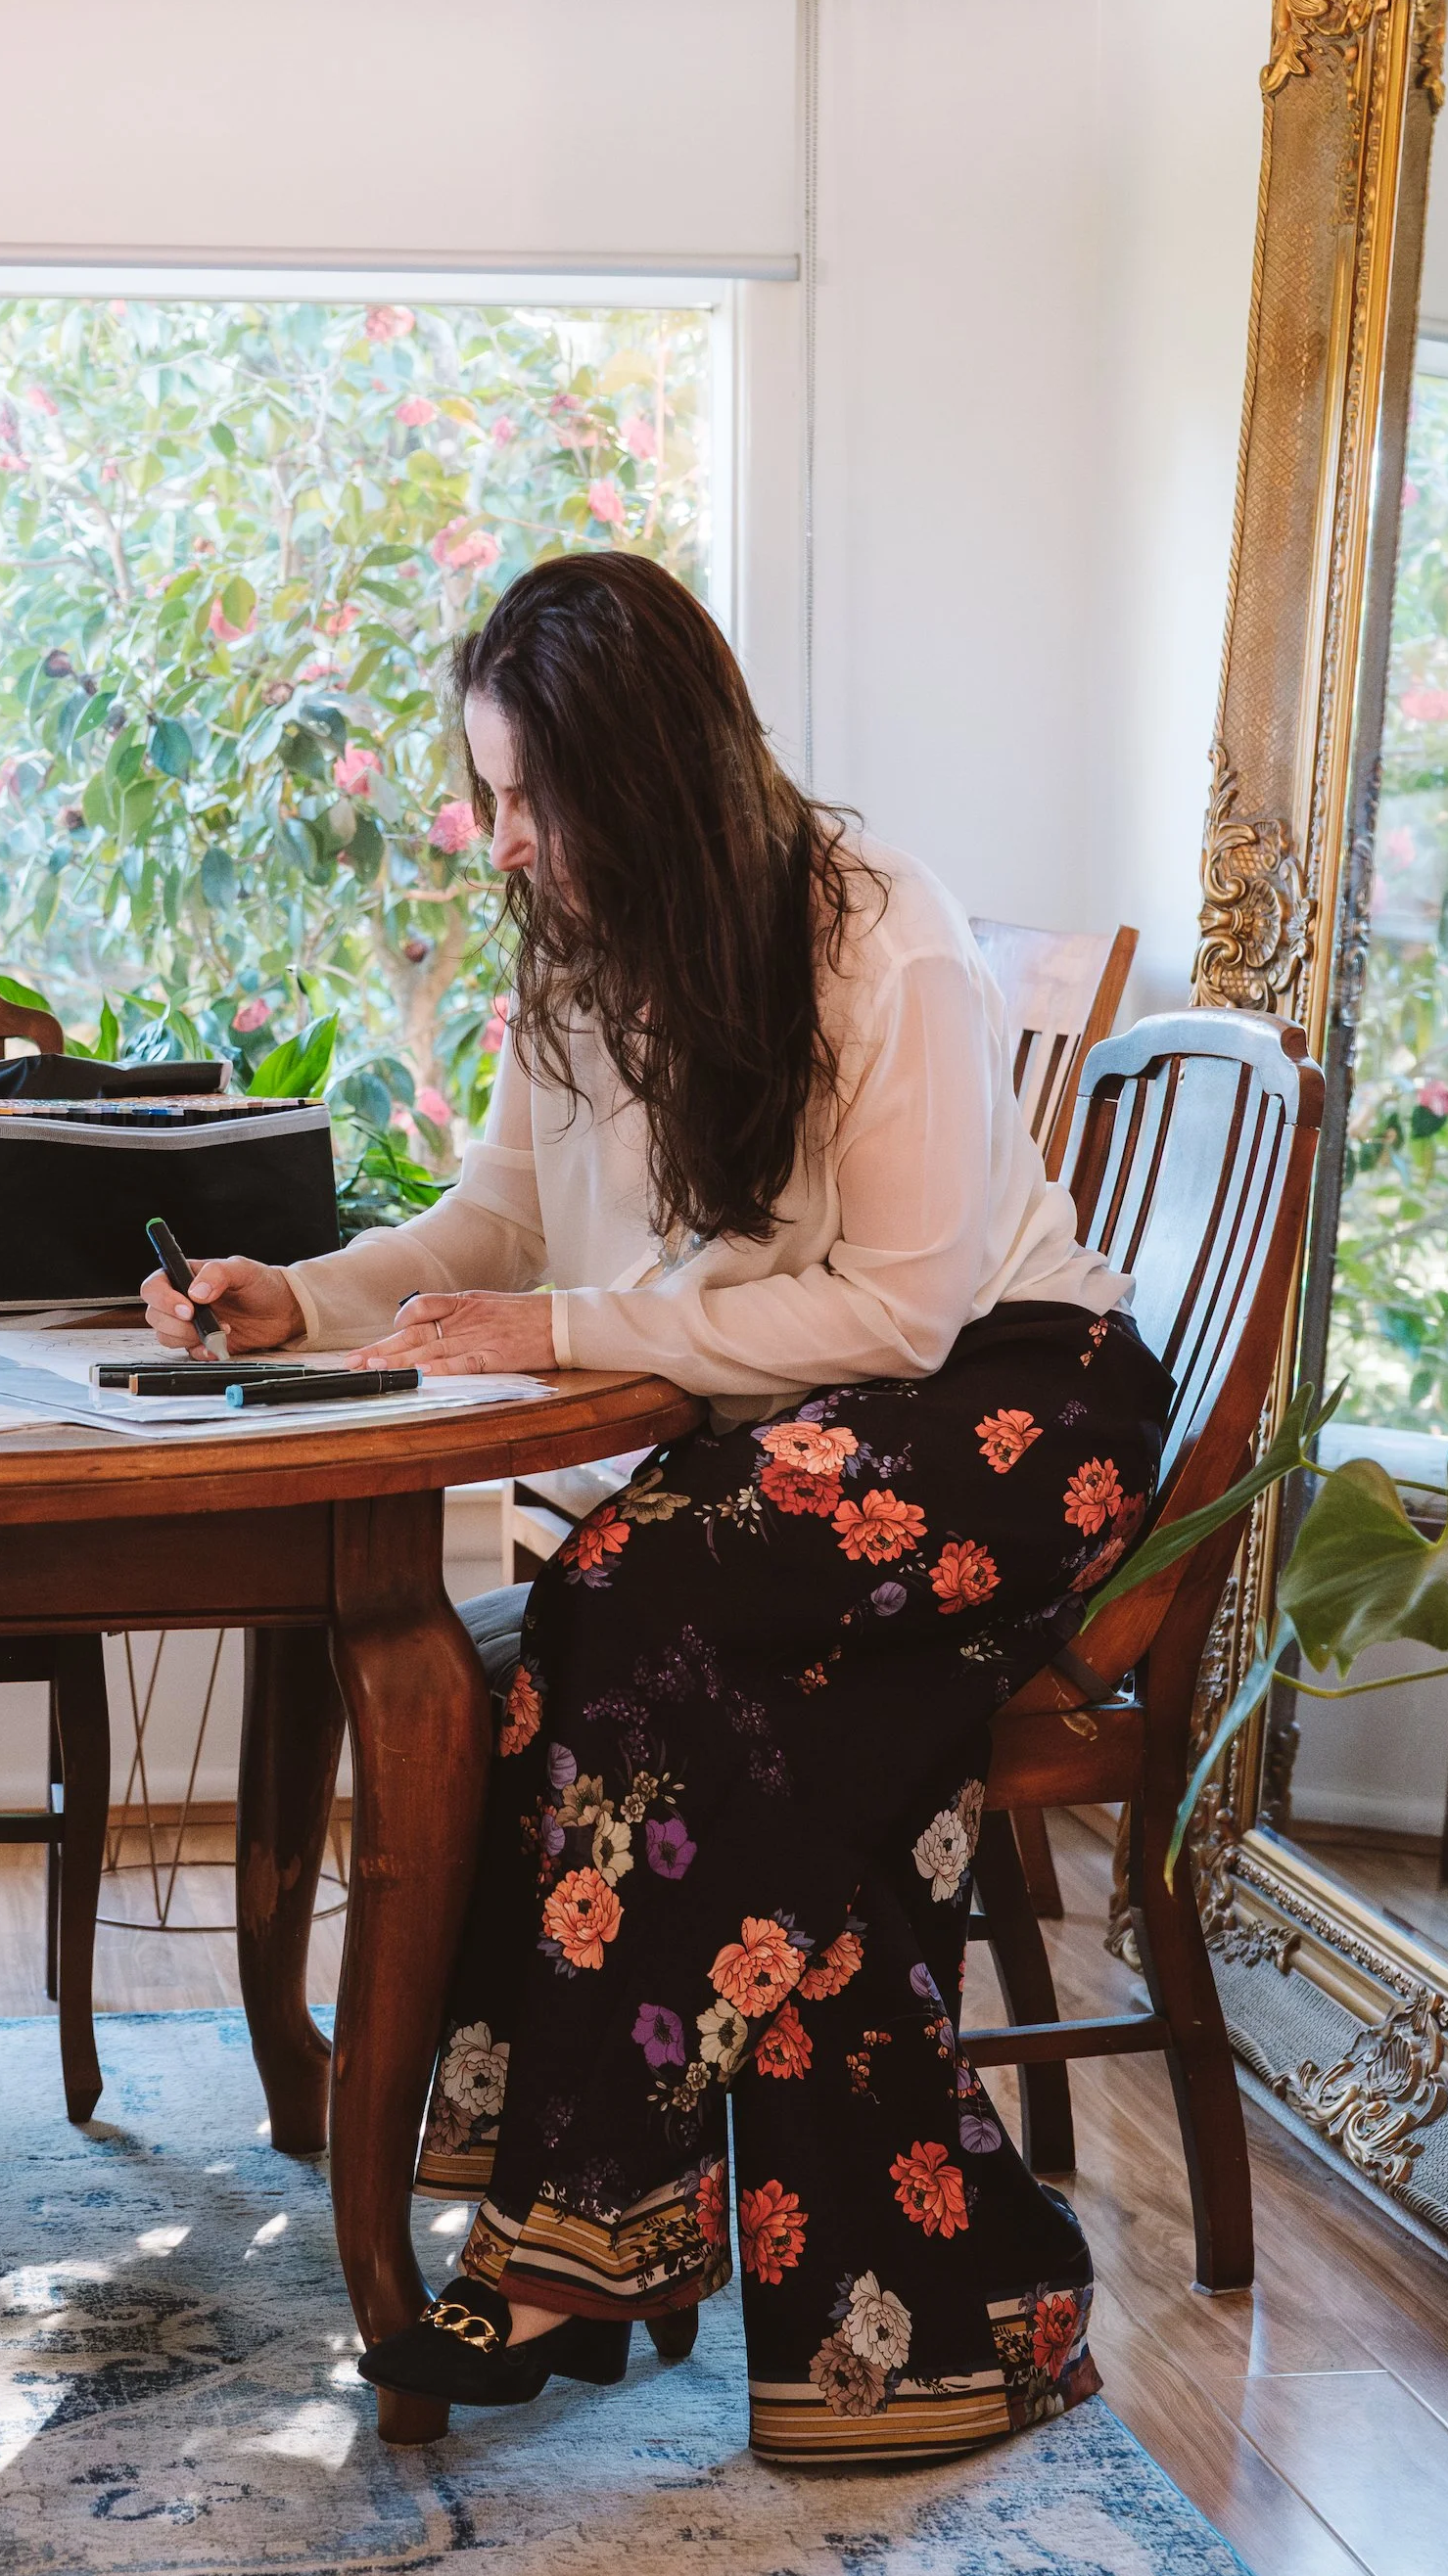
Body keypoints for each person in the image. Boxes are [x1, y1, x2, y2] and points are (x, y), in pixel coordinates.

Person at [144, 550, 1170, 2460]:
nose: (506, 842)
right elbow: (498, 1223)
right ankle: (664, 2251)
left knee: (609, 1607)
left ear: (651, 777)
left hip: (1016, 1403)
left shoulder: (874, 930)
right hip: (818, 1413)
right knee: (630, 1660)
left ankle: (574, 2243)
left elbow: (904, 1304)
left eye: (536, 798)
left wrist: (542, 1332)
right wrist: (312, 1294)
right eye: (493, 796)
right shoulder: (581, 947)